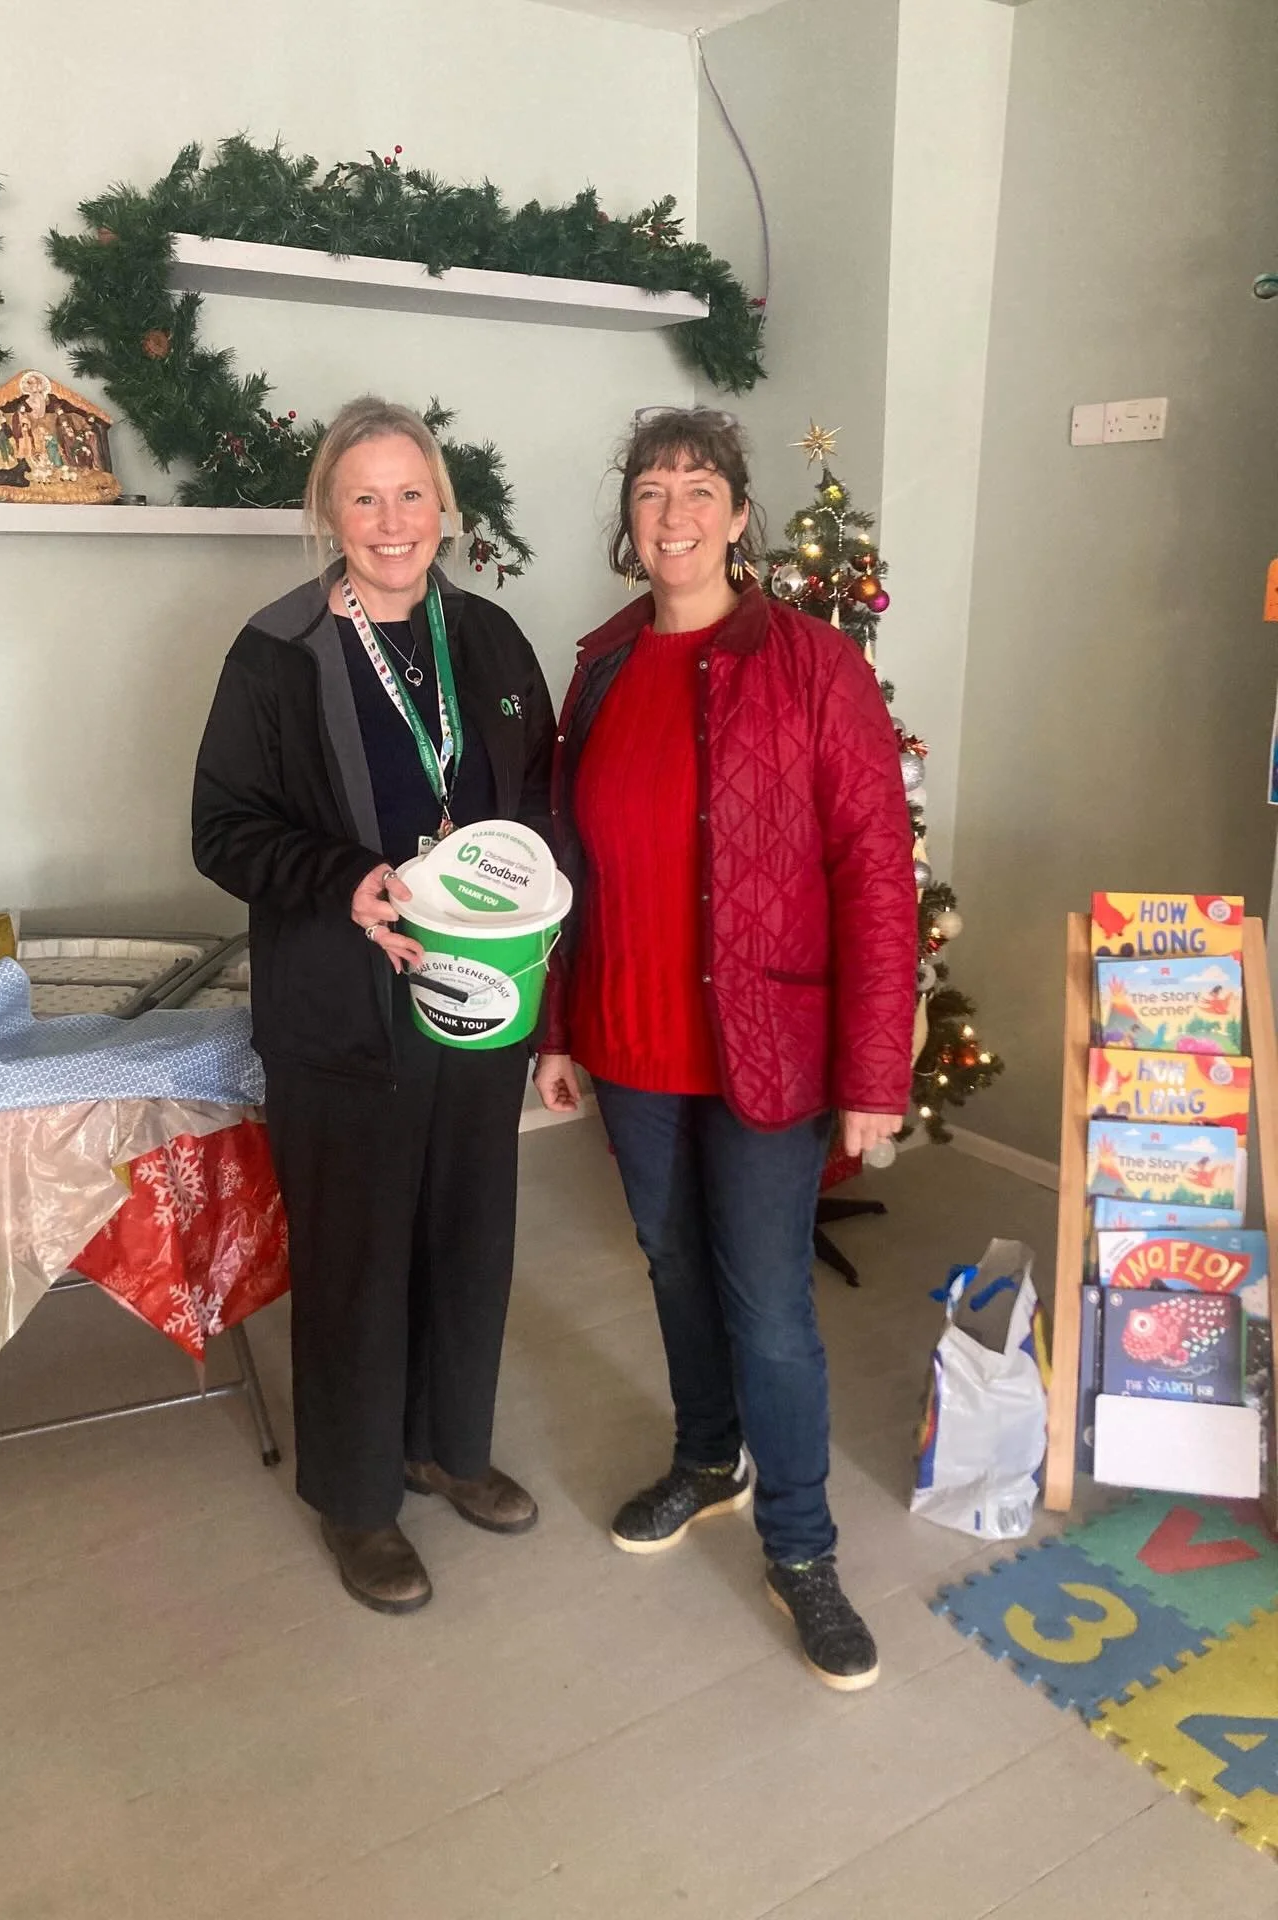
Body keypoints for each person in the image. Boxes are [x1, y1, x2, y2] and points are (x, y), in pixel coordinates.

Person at [534, 407, 916, 1690]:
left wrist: (873, 1072)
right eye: (652, 490)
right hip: (633, 1036)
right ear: (629, 524)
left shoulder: (815, 666)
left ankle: (801, 1548)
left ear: (739, 516)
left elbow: (875, 869)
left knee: (769, 1304)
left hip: (768, 1045)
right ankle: (709, 1461)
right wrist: (554, 1026)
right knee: (671, 1261)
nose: (676, 511)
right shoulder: (595, 669)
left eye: (700, 488)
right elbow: (559, 869)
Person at [193, 397, 556, 1615]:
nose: (392, 522)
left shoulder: (494, 643)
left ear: (444, 507)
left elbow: (546, 810)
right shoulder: (279, 651)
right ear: (326, 514)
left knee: (468, 1234)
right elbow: (224, 828)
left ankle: (448, 1446)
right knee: (355, 1258)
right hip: (341, 1019)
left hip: (478, 1007)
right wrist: (343, 881)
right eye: (365, 497)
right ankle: (357, 1503)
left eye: (412, 495)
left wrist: (532, 904)